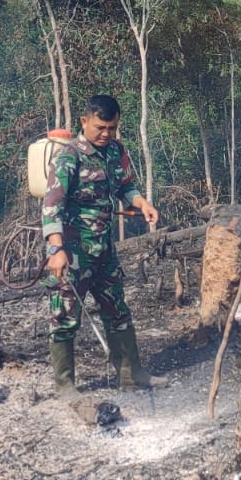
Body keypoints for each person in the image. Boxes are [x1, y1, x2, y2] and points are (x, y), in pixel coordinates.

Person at [41, 93, 162, 398]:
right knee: (65, 316)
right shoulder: (69, 156)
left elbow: (125, 186)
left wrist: (141, 202)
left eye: (112, 128)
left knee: (117, 310)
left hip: (104, 250)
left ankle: (131, 374)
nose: (107, 134)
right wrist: (56, 250)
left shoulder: (114, 151)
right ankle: (65, 386)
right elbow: (51, 204)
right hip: (73, 252)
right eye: (101, 127)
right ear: (85, 122)